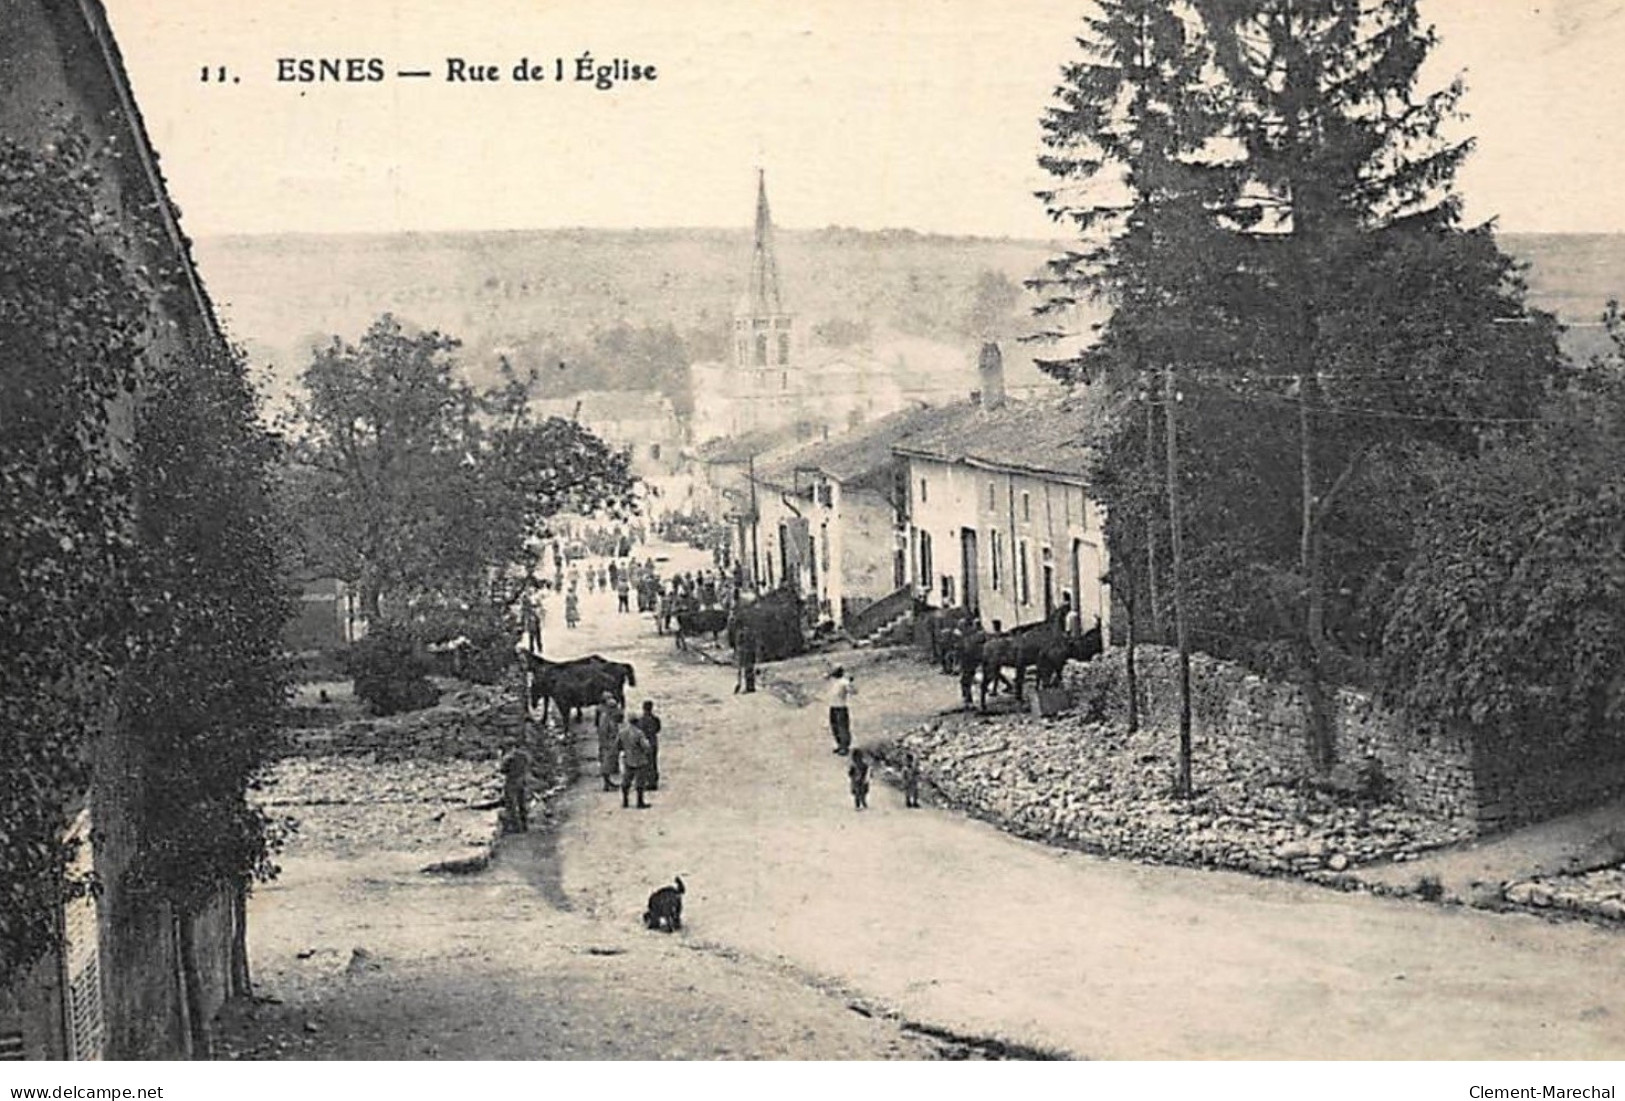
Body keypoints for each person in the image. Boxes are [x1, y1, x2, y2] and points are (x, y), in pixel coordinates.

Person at [617, 715, 652, 809]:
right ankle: (640, 802)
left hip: (628, 759)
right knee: (640, 782)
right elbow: (646, 746)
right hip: (639, 760)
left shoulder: (622, 732)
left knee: (626, 781)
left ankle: (625, 801)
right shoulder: (639, 733)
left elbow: (618, 745)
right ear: (637, 722)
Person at [500, 742, 534, 832]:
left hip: (512, 782)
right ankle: (525, 825)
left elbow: (502, 770)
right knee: (522, 804)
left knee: (511, 805)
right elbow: (529, 764)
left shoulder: (508, 757)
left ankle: (516, 827)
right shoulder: (525, 756)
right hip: (523, 781)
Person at [632, 701, 663, 791]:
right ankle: (653, 781)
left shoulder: (640, 720)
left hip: (644, 743)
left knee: (645, 763)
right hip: (653, 743)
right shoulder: (655, 719)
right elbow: (658, 729)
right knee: (653, 762)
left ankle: (647, 781)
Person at [595, 692, 622, 792]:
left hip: (609, 743)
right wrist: (607, 744)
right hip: (607, 744)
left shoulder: (608, 717)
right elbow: (603, 732)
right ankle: (607, 784)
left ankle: (608, 782)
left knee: (608, 763)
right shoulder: (605, 719)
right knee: (606, 763)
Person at [827, 666, 854, 755]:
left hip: (841, 707)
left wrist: (850, 683)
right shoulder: (833, 681)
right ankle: (840, 745)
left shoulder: (844, 682)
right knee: (835, 728)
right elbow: (825, 676)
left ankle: (844, 747)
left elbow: (853, 691)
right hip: (833, 706)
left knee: (842, 728)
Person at [735, 622, 758, 694]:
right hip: (750, 653)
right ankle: (750, 686)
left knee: (747, 670)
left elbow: (738, 644)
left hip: (746, 653)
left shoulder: (741, 633)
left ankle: (749, 687)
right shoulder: (751, 633)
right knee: (750, 669)